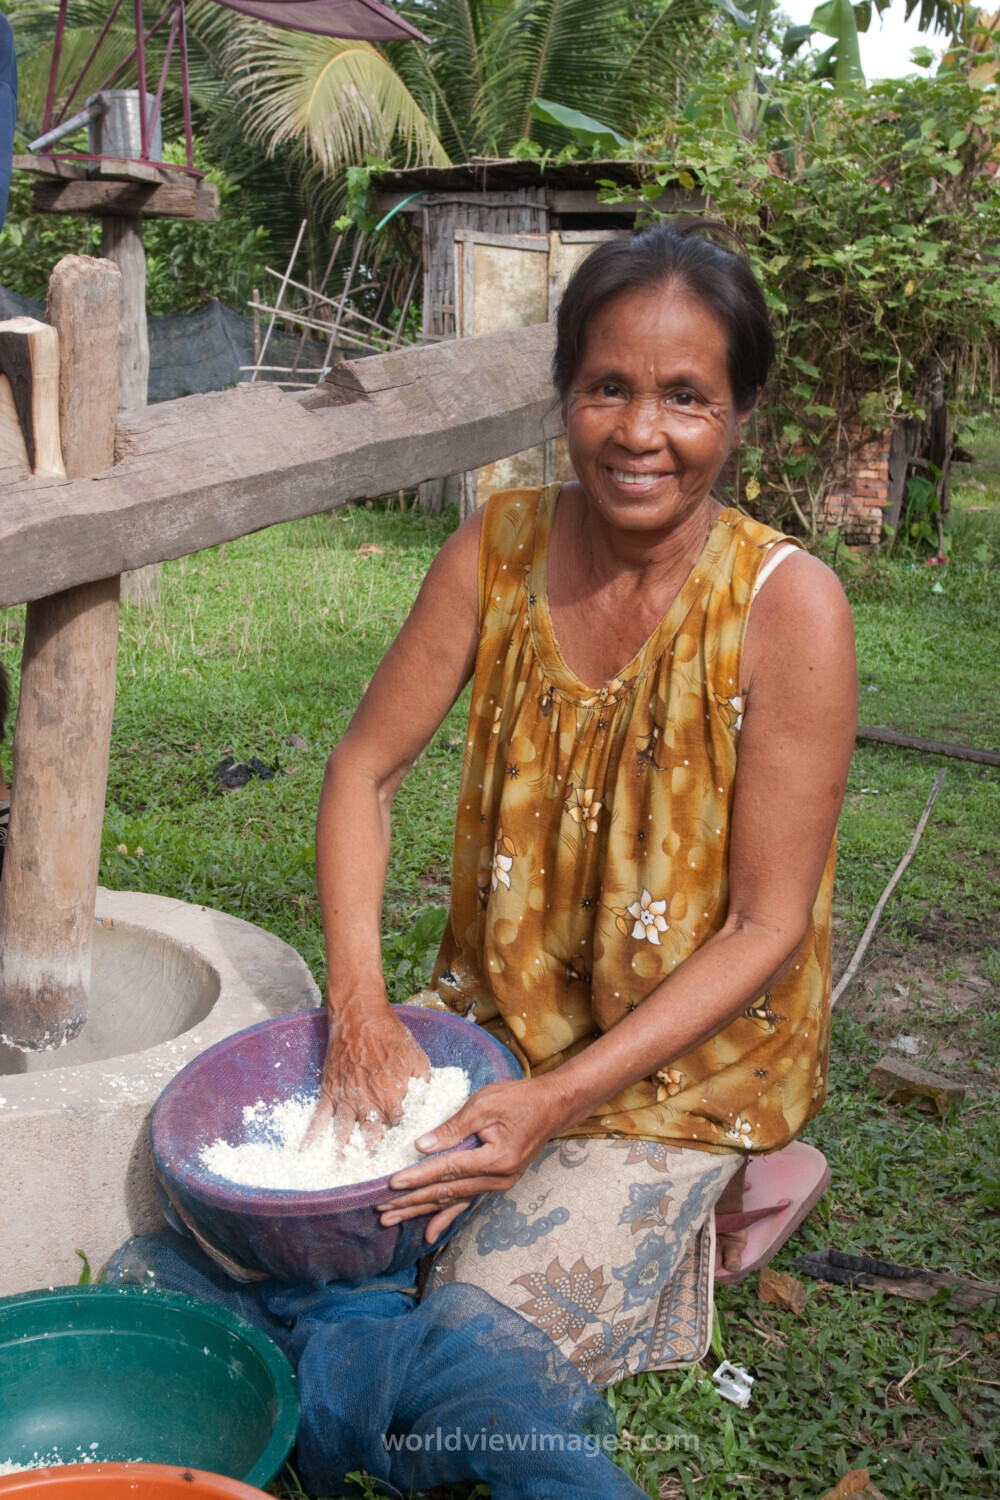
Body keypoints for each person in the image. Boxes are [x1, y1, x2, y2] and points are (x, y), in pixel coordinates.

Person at [310, 219, 858, 1383]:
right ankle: (687, 1197)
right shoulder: (495, 549)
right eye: (607, 387)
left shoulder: (788, 607)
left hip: (689, 1062)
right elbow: (363, 771)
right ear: (565, 393)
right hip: (502, 1020)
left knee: (465, 1349)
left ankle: (726, 1179)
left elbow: (765, 923)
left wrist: (556, 1104)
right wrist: (359, 1008)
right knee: (310, 1236)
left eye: (685, 397)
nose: (639, 432)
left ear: (740, 414)